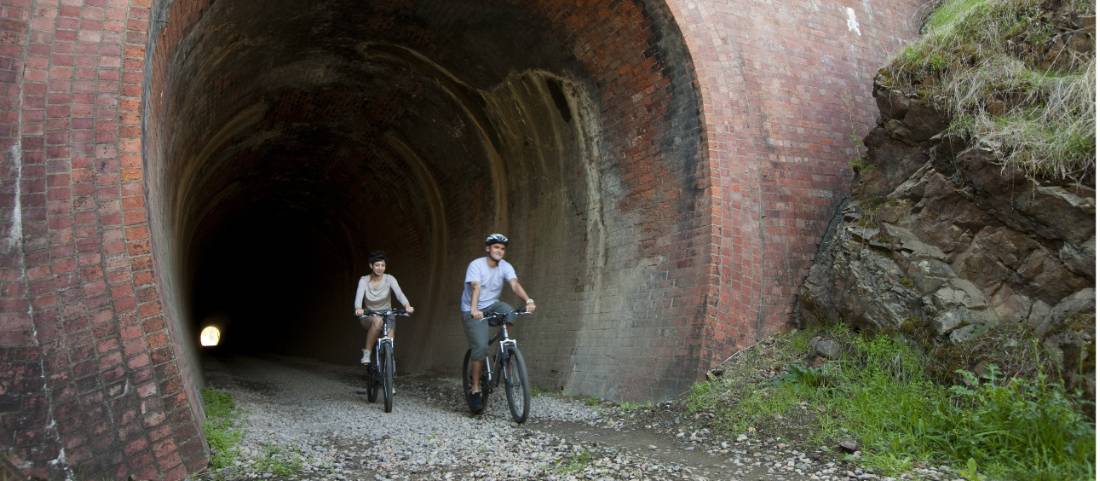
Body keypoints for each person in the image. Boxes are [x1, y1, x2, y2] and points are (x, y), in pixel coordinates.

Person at [460, 233, 536, 411]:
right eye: (496, 247)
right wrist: (474, 309)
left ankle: (503, 348)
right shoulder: (476, 265)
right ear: (488, 248)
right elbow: (475, 287)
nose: (499, 251)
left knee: (510, 312)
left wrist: (528, 300)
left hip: (492, 305)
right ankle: (476, 387)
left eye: (502, 248)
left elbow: (514, 284)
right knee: (479, 347)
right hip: (472, 308)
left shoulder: (505, 266)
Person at [354, 251, 414, 365]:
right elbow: (358, 299)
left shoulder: (389, 279)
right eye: (377, 265)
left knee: (390, 342)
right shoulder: (364, 281)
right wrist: (358, 308)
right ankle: (367, 352)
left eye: (383, 265)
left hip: (387, 313)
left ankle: (388, 369)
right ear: (371, 266)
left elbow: (399, 294)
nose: (380, 268)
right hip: (369, 314)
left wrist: (407, 306)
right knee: (377, 321)